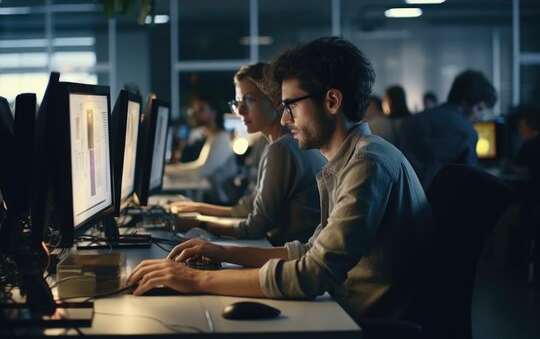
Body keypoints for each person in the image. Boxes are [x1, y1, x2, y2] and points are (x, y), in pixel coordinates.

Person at [127, 37, 433, 323]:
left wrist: (194, 279)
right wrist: (220, 252)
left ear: (332, 101)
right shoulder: (350, 160)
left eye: (291, 106)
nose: (285, 119)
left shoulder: (367, 164)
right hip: (343, 308)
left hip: (359, 322)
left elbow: (313, 272)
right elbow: (309, 252)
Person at [171, 63, 326, 246]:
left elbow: (255, 227)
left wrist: (199, 223)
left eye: (249, 100)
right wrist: (199, 208)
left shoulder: (281, 149)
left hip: (290, 257)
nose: (241, 111)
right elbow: (250, 206)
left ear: (276, 101)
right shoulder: (279, 144)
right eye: (238, 103)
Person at [399, 69, 497, 189]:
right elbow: (469, 182)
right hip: (439, 203)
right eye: (479, 108)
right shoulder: (467, 132)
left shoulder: (411, 121)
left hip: (405, 198)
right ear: (464, 101)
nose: (480, 117)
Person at [164, 93, 237, 203]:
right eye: (195, 109)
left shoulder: (221, 139)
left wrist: (166, 171)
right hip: (211, 197)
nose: (196, 113)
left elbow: (201, 171)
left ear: (214, 113)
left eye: (201, 109)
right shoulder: (212, 137)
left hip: (221, 201)